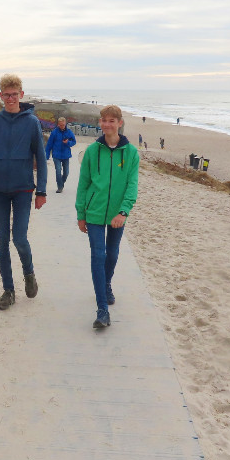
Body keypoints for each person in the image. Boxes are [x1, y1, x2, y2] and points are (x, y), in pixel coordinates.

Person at [0, 74, 47, 311]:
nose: (10, 98)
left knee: (19, 238)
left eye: (14, 94)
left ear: (21, 95)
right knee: (1, 240)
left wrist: (42, 192)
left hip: (23, 189)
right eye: (6, 94)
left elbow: (41, 158)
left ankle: (29, 273)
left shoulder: (31, 122)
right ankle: (8, 290)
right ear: (1, 95)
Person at [76, 105, 139, 329]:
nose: (107, 124)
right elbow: (83, 184)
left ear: (120, 123)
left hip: (116, 216)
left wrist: (123, 212)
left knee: (112, 255)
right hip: (93, 213)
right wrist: (80, 213)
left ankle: (106, 283)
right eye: (104, 120)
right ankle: (102, 309)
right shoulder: (92, 151)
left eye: (112, 120)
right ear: (100, 123)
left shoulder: (130, 153)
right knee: (98, 256)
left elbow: (132, 186)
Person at [45, 117, 76, 193]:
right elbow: (49, 144)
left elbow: (74, 142)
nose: (62, 126)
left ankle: (61, 183)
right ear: (58, 124)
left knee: (66, 173)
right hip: (56, 155)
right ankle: (59, 187)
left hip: (66, 155)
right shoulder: (54, 133)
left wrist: (68, 142)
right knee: (58, 171)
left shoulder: (69, 132)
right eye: (60, 125)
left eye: (63, 125)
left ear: (65, 124)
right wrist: (47, 155)